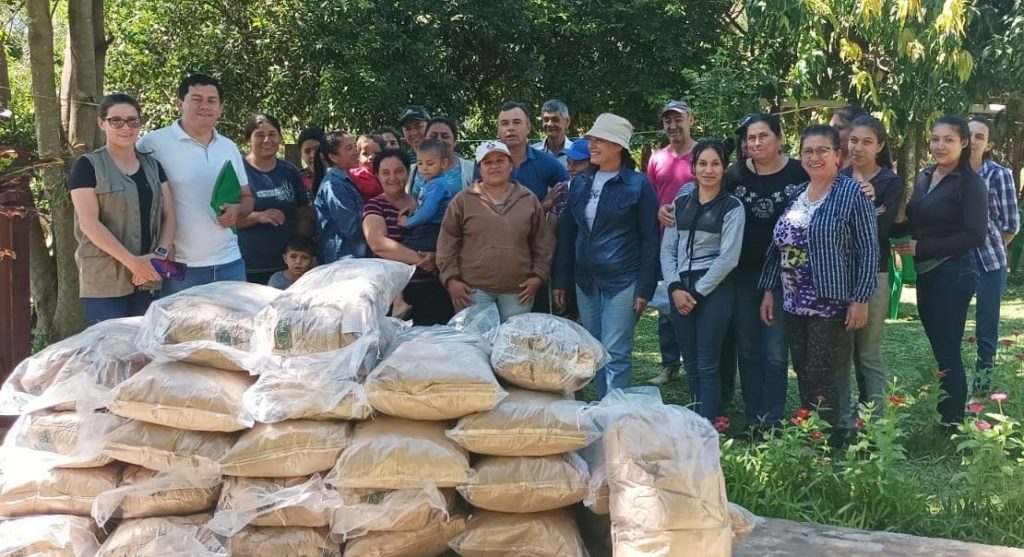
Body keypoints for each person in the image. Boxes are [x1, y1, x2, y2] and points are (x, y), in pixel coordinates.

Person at [759, 125, 878, 446]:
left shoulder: (852, 194)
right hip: (794, 302)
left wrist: (861, 298)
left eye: (822, 150)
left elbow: (869, 249)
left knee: (823, 374)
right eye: (808, 151)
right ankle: (811, 435)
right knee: (804, 371)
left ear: (837, 156)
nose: (814, 157)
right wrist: (769, 289)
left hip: (831, 301)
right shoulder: (797, 196)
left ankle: (831, 442)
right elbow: (779, 246)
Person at [553, 113, 659, 398]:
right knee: (594, 350)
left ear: (618, 146)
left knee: (616, 351)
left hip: (623, 279)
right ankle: (603, 410)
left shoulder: (639, 185)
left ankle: (616, 418)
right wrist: (560, 280)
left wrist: (645, 287)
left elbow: (651, 239)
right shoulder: (580, 182)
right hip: (585, 280)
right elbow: (567, 234)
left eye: (599, 139)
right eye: (591, 139)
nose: (592, 144)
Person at [892, 115, 988, 425]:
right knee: (940, 346)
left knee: (947, 349)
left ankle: (952, 421)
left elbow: (976, 235)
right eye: (935, 139)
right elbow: (918, 219)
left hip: (954, 272)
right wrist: (887, 223)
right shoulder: (926, 175)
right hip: (928, 273)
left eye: (948, 139)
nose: (940, 145)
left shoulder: (970, 184)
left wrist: (923, 248)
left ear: (964, 143)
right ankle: (948, 412)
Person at [136, 73, 253, 296]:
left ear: (220, 108)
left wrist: (238, 210)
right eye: (196, 99)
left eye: (212, 101)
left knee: (235, 329)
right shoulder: (152, 144)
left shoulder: (228, 147)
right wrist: (160, 246)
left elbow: (247, 197)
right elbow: (135, 200)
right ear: (181, 104)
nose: (205, 106)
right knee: (180, 331)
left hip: (230, 262)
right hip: (180, 266)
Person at [70, 93, 176, 323]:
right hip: (105, 280)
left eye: (132, 121)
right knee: (112, 351)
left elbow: (170, 216)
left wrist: (157, 258)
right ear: (102, 123)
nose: (125, 127)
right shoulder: (87, 166)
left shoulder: (153, 166)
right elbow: (89, 224)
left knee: (146, 350)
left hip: (149, 276)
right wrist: (133, 263)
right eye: (116, 121)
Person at [660, 139, 745, 420]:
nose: (709, 170)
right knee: (692, 363)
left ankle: (707, 426)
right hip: (679, 287)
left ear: (724, 168)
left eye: (715, 164)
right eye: (703, 163)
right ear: (693, 168)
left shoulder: (732, 207)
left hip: (713, 290)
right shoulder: (681, 203)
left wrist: (695, 293)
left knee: (708, 363)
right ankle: (695, 420)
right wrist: (674, 287)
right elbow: (668, 249)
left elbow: (728, 258)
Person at [437, 140, 555, 322]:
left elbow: (543, 243)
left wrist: (538, 277)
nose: (494, 166)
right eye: (488, 162)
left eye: (500, 160)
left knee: (514, 345)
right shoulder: (462, 201)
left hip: (518, 290)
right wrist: (451, 279)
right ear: (480, 168)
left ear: (511, 165)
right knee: (476, 344)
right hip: (473, 291)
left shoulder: (528, 199)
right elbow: (447, 244)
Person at [841, 115, 904, 413]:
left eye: (867, 142)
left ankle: (875, 422)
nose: (858, 148)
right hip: (836, 276)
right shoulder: (834, 175)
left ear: (879, 146)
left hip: (873, 275)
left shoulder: (889, 182)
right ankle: (842, 419)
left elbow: (879, 231)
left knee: (867, 354)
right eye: (854, 140)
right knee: (839, 355)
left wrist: (864, 199)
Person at [490, 101, 570, 313]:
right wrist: (542, 206)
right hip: (493, 261)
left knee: (536, 328)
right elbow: (484, 214)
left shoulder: (547, 164)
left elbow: (567, 200)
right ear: (498, 130)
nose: (510, 128)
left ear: (528, 127)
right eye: (504, 123)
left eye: (517, 122)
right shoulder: (487, 165)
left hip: (535, 259)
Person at [364, 148, 454, 325]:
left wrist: (436, 258)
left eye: (398, 171)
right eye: (385, 173)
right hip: (395, 292)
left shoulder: (423, 202)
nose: (393, 177)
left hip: (432, 288)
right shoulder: (374, 206)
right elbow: (378, 244)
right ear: (377, 175)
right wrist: (422, 260)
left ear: (408, 172)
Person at [647, 99, 697, 386]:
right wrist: (658, 210)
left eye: (678, 119)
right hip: (666, 243)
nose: (673, 125)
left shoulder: (702, 154)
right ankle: (670, 365)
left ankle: (693, 363)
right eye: (667, 120)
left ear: (691, 120)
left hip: (698, 245)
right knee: (666, 307)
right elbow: (651, 198)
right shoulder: (657, 158)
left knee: (694, 302)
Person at [968, 116, 1020, 393]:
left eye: (980, 136)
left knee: (986, 328)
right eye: (969, 135)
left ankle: (982, 388)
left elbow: (1011, 224)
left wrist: (991, 244)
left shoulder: (998, 174)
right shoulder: (950, 172)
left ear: (989, 145)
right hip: (955, 262)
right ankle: (951, 384)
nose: (973, 141)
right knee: (950, 326)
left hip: (990, 263)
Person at [238, 112, 313, 285]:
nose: (267, 140)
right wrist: (258, 216)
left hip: (287, 268)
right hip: (249, 266)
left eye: (272, 134)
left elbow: (303, 212)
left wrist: (302, 251)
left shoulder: (290, 171)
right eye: (259, 135)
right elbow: (226, 219)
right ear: (248, 139)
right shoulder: (238, 171)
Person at [314, 130, 367, 262]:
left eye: (355, 145)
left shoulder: (343, 180)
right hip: (344, 260)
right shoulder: (333, 184)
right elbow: (351, 228)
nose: (356, 151)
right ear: (333, 157)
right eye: (349, 148)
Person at [410, 117, 475, 197]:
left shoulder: (471, 170)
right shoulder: (411, 171)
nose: (439, 140)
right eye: (433, 136)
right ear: (425, 139)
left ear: (454, 142)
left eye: (445, 136)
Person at [532, 99, 573, 167]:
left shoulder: (576, 152)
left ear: (567, 122)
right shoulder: (532, 153)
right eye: (546, 120)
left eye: (555, 119)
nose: (550, 124)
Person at [349, 134, 385, 202]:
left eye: (377, 153)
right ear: (358, 155)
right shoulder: (354, 174)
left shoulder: (388, 172)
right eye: (365, 154)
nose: (371, 157)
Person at [297, 126, 325, 197]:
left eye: (317, 149)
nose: (313, 155)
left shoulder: (340, 176)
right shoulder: (297, 180)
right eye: (307, 151)